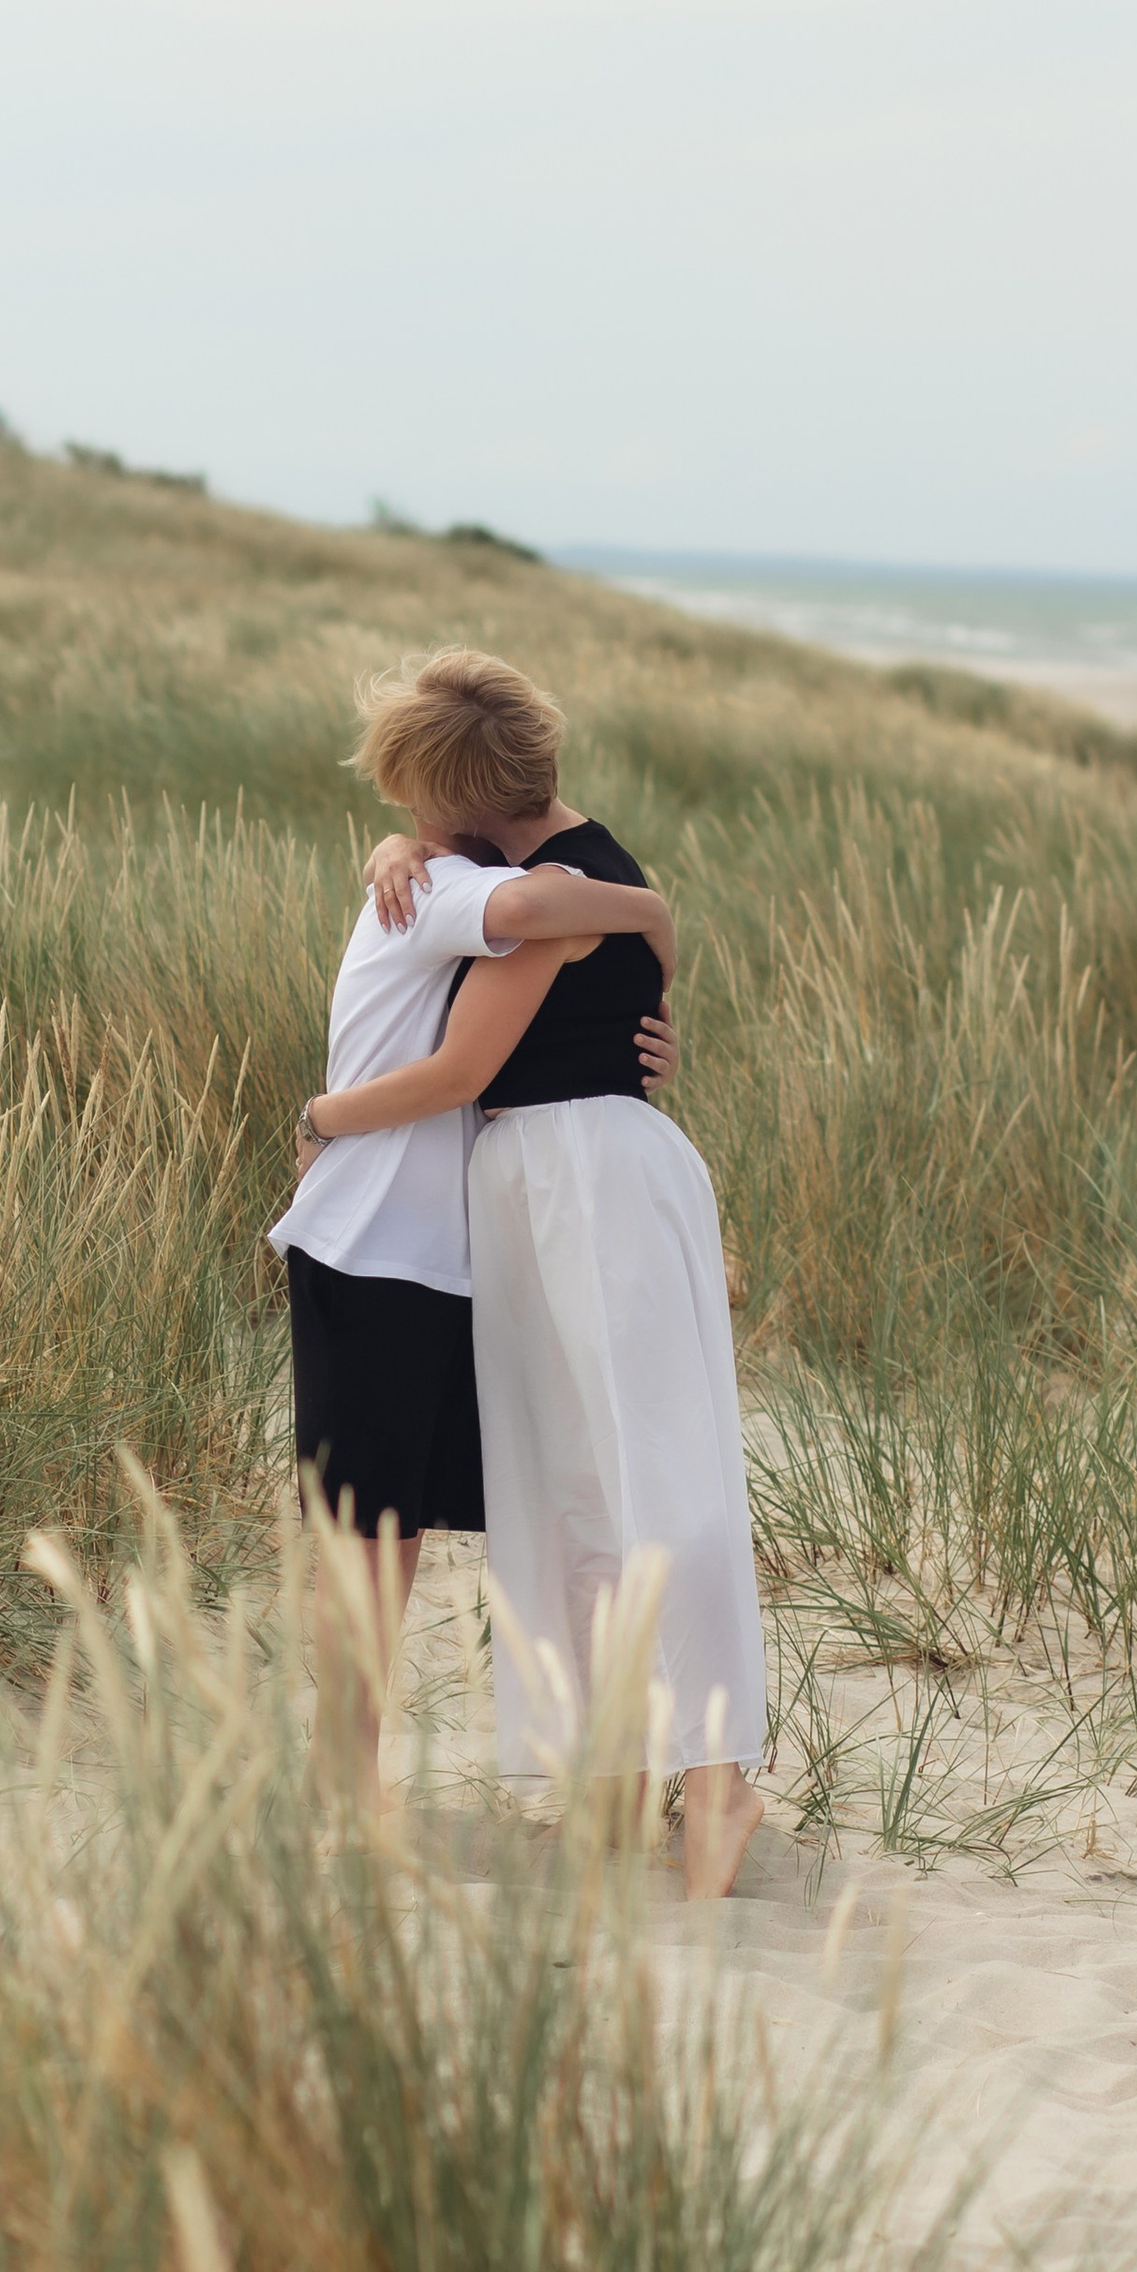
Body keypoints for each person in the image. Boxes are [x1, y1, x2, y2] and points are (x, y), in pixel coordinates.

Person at [295, 648, 769, 1900]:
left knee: (647, 1482)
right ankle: (614, 1773)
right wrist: (650, 914)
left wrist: (321, 1114)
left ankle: (716, 1775)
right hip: (527, 1199)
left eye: (408, 806)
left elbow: (463, 1067)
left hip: (570, 1184)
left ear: (447, 799)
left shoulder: (552, 892)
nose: (396, 828)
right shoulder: (527, 871)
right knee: (571, 1488)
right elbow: (527, 933)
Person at [268, 661, 678, 1798]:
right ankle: (339, 1778)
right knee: (370, 1534)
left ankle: (365, 1775)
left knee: (397, 1528)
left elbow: (538, 938)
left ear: (435, 797)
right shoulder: (439, 889)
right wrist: (648, 909)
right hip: (378, 1246)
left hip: (441, 1258)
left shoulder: (438, 874)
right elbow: (537, 910)